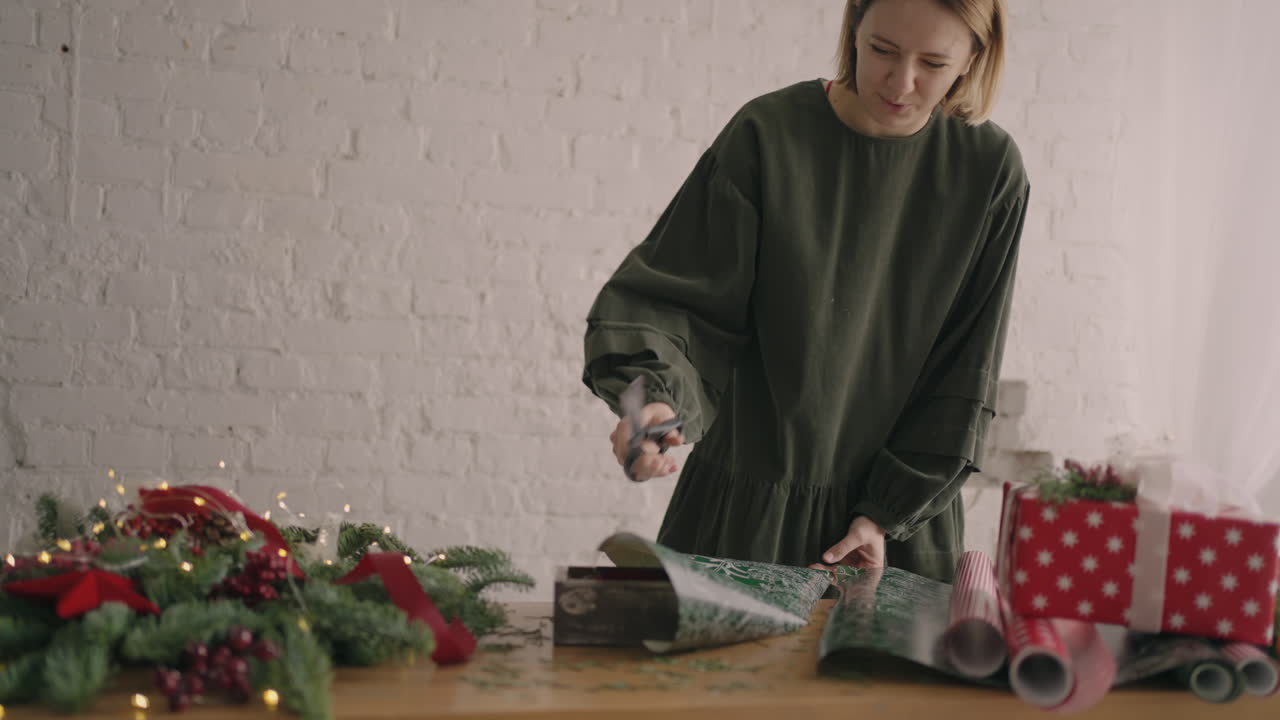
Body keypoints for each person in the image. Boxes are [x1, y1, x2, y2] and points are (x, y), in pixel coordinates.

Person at [581, 0, 1026, 584]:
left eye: (934, 63)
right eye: (882, 50)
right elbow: (674, 302)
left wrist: (884, 515)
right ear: (854, 30)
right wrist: (654, 404)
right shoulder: (767, 135)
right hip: (743, 520)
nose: (901, 82)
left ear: (975, 58)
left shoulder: (989, 170)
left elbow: (965, 370)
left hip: (891, 536)